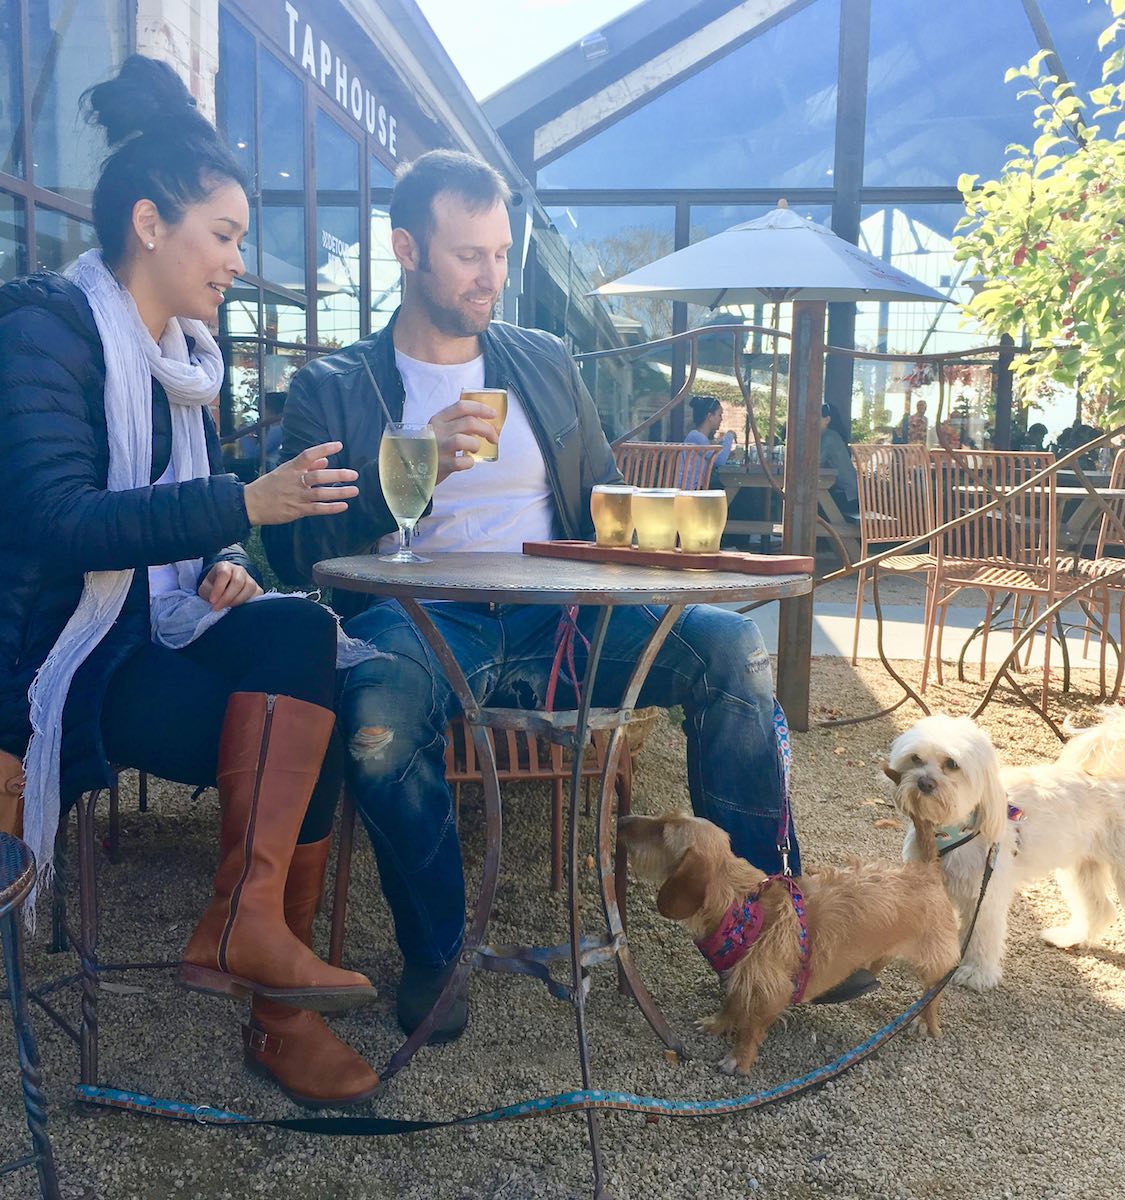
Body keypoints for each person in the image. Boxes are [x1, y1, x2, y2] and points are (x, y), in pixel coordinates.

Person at [264, 149, 874, 1043]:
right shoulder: (334, 387)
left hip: (565, 617)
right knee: (380, 717)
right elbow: (300, 555)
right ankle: (439, 950)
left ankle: (777, 929)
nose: (492, 276)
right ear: (406, 249)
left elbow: (605, 502)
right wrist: (418, 458)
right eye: (469, 254)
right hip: (425, 620)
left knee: (730, 652)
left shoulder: (543, 360)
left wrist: (678, 546)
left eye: (501, 253)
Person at [0, 56, 379, 1108]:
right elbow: (57, 522)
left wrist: (221, 563)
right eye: (224, 236)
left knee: (301, 641)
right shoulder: (44, 331)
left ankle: (247, 932)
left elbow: (188, 520)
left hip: (151, 628)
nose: (237, 263)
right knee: (308, 713)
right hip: (61, 661)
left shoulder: (188, 365)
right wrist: (238, 513)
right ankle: (273, 996)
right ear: (150, 224)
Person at [682, 393, 735, 486]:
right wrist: (730, 435)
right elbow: (720, 461)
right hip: (689, 489)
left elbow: (714, 460)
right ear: (710, 416)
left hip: (695, 487)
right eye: (719, 415)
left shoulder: (698, 437)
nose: (721, 419)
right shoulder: (696, 437)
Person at [819, 404, 860, 520]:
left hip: (847, 496)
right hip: (849, 494)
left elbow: (815, 463)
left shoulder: (829, 437)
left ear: (827, 419)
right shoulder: (828, 436)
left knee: (811, 505)